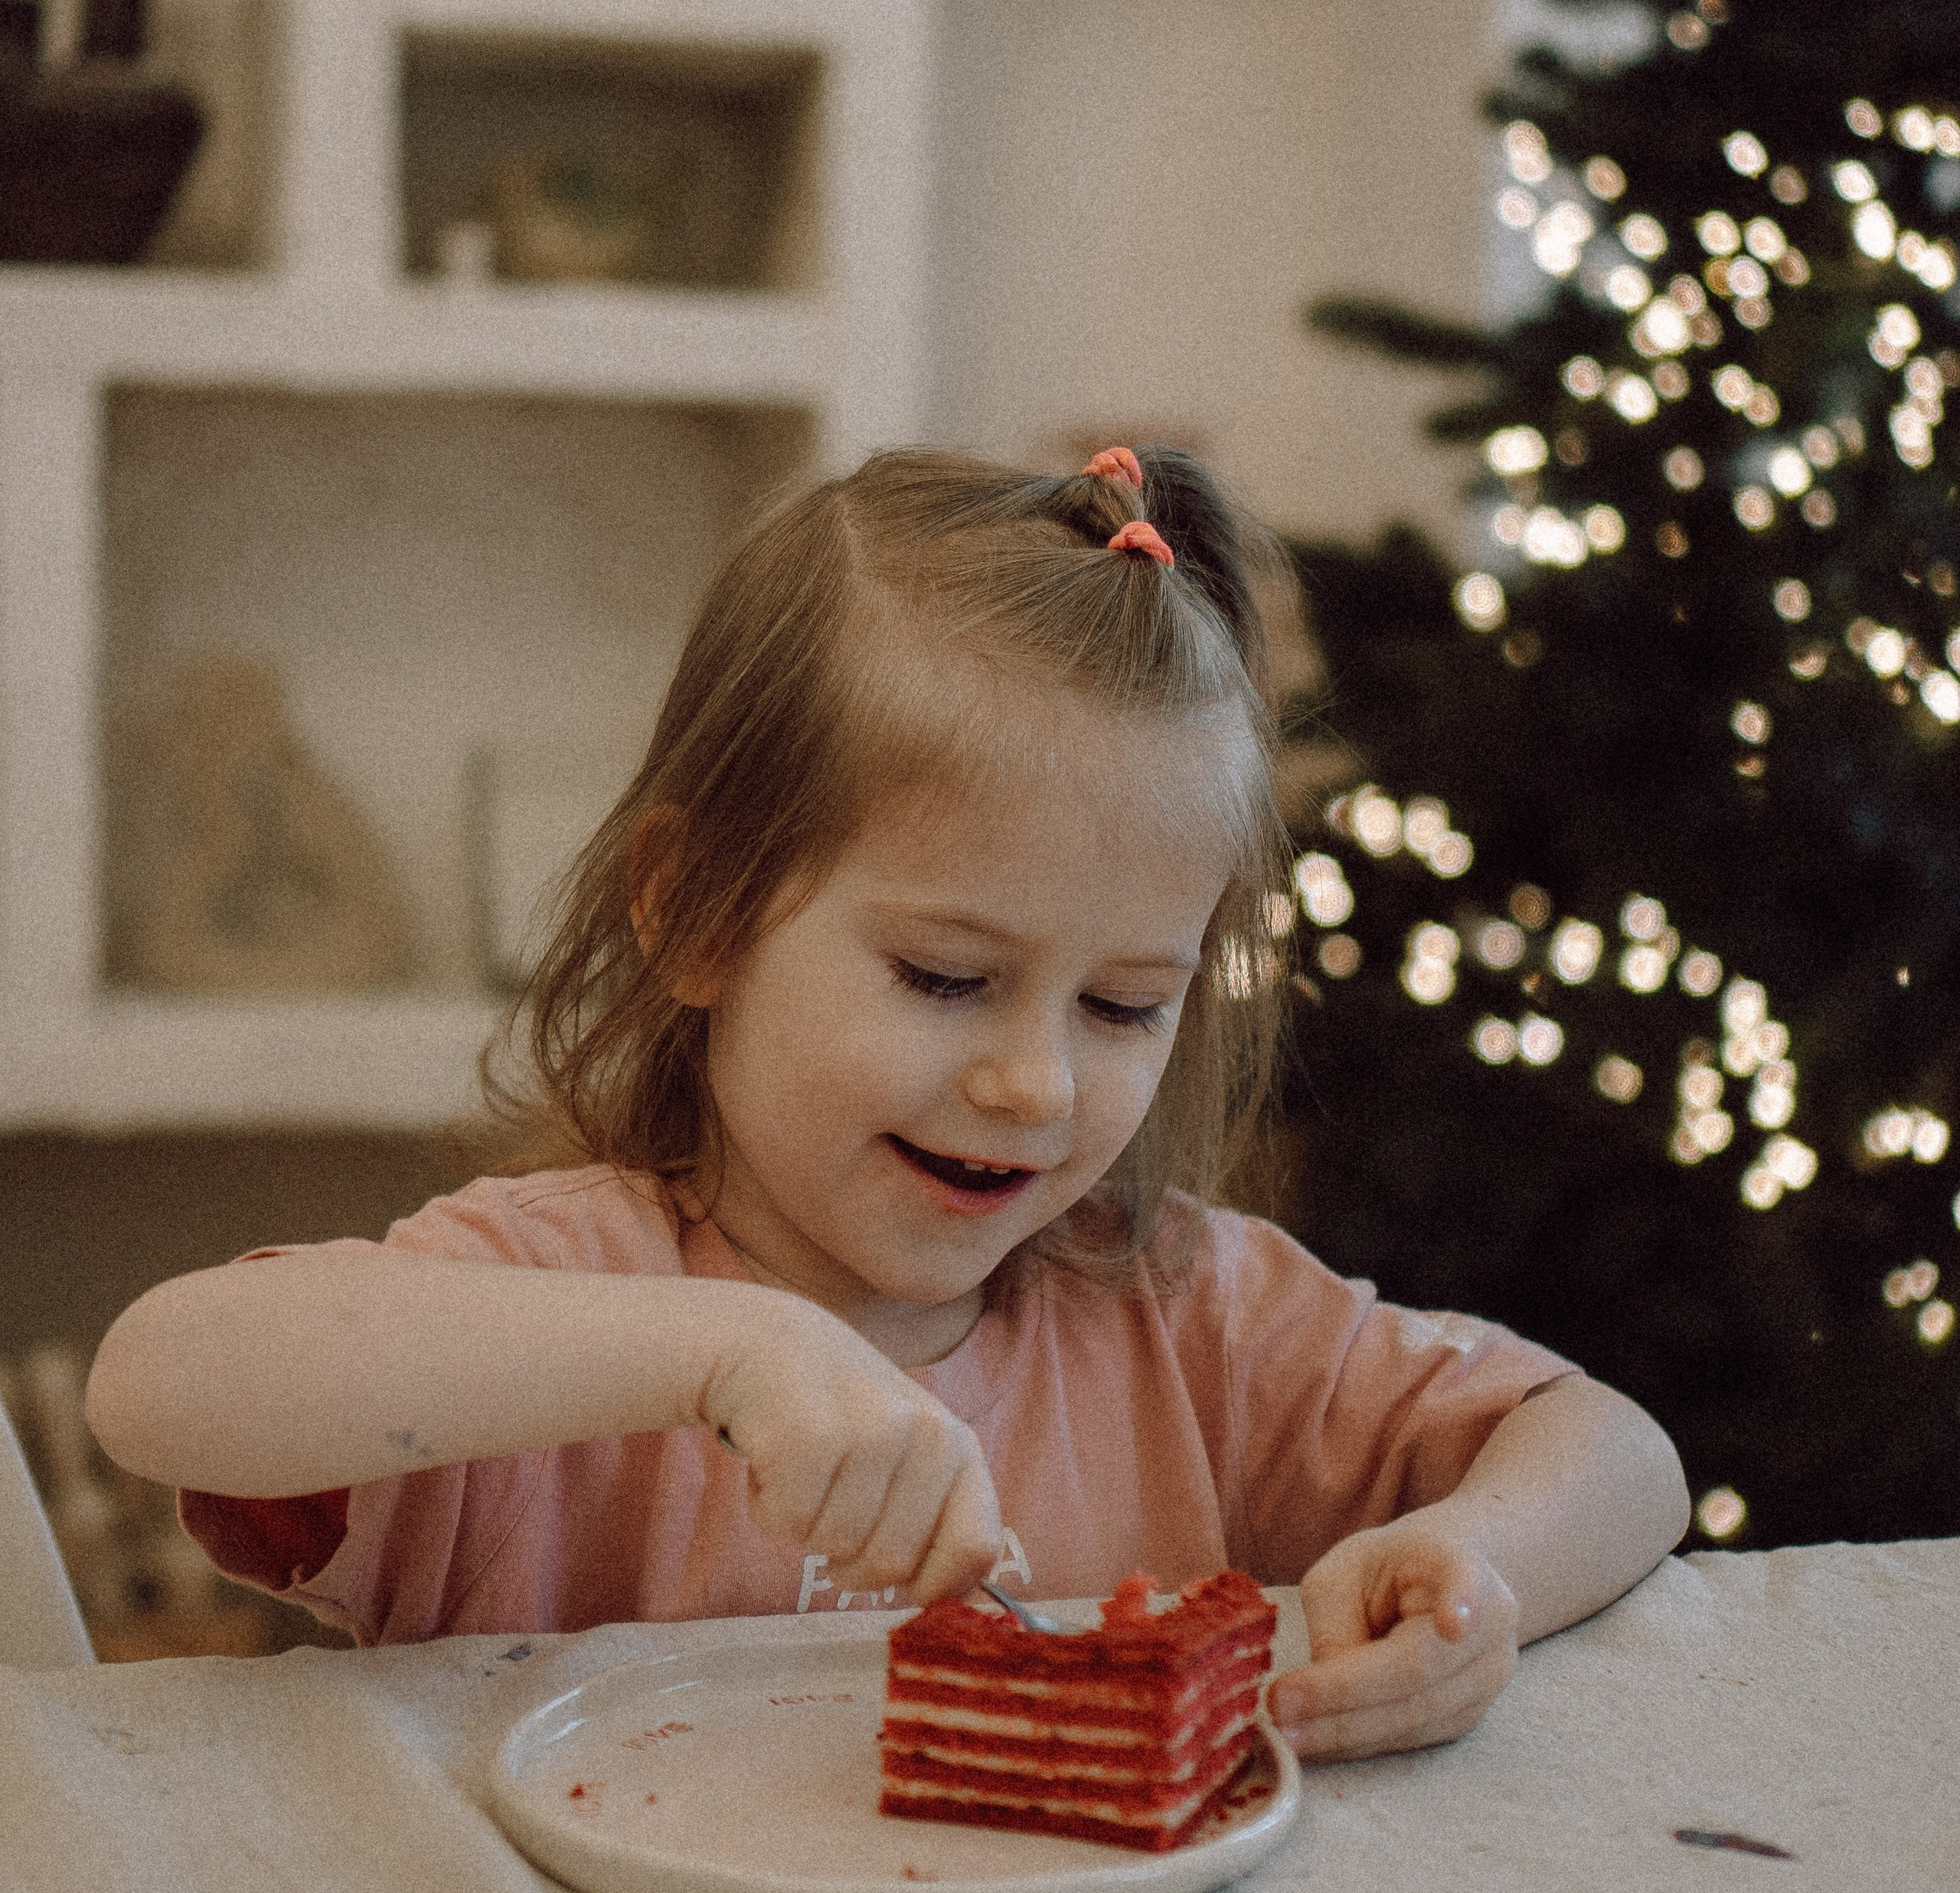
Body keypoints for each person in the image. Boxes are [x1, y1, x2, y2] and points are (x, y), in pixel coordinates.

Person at [87, 446, 1687, 1761]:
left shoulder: (1183, 1319)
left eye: (1126, 1004)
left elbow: (1611, 1451)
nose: (1033, 1082)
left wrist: (1472, 1566)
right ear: (698, 906)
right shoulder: (562, 1289)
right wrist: (734, 1352)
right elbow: (162, 1382)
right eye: (942, 977)